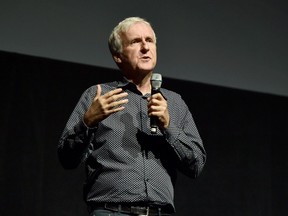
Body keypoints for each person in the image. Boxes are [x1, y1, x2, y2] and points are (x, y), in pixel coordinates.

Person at [58, 17, 206, 216]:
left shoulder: (174, 102)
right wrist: (88, 121)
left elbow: (196, 164)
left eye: (149, 40)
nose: (145, 47)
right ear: (118, 56)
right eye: (136, 42)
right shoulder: (98, 95)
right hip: (111, 211)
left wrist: (168, 125)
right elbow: (67, 159)